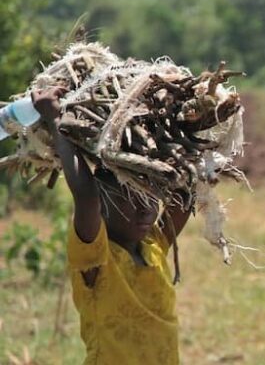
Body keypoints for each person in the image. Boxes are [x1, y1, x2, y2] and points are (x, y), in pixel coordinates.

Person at [32, 87, 192, 364]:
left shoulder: (154, 244)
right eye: (132, 200)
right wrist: (55, 119)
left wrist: (183, 126)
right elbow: (85, 196)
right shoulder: (96, 257)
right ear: (103, 202)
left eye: (150, 199)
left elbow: (185, 190)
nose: (146, 211)